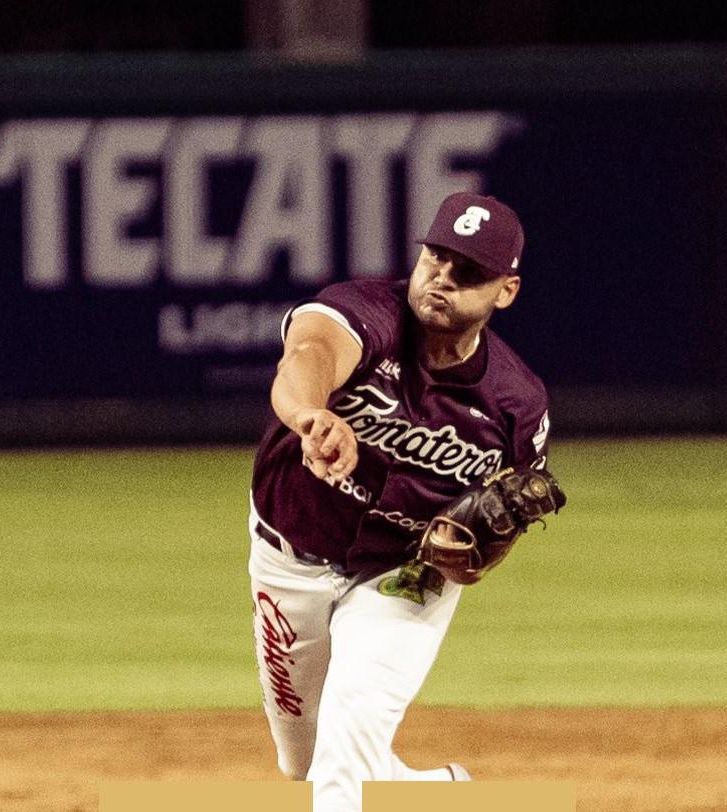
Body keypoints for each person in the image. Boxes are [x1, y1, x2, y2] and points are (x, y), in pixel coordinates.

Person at [247, 190, 552, 812]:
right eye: (435, 257)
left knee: (349, 739)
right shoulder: (365, 313)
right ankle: (444, 796)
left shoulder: (516, 405)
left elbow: (501, 521)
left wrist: (478, 557)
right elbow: (307, 355)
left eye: (467, 270)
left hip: (407, 572)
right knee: (304, 765)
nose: (442, 277)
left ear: (505, 291)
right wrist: (312, 416)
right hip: (289, 558)